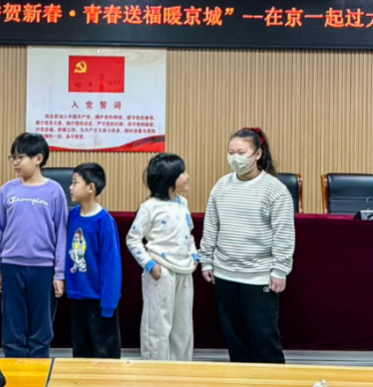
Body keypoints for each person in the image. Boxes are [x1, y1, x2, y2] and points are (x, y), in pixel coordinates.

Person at [200, 127, 295, 365]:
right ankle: (241, 386)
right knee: (235, 340)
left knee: (264, 340)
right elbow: (211, 225)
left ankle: (272, 386)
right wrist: (206, 260)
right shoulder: (221, 186)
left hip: (259, 276)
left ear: (257, 154)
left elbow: (283, 234)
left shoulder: (275, 189)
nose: (235, 158)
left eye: (241, 153)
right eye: (231, 152)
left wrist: (280, 269)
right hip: (225, 274)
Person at [0, 133, 68, 358]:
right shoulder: (7, 190)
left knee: (41, 328)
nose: (16, 162)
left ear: (38, 159)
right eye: (13, 157)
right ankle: (13, 369)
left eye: (21, 157)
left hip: (43, 268)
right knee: (12, 326)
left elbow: (61, 234)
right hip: (11, 266)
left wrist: (59, 273)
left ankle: (39, 369)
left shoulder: (54, 191)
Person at [126, 153, 198, 362]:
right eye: (182, 173)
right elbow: (133, 239)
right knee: (157, 324)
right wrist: (150, 265)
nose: (187, 176)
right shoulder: (150, 207)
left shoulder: (183, 203)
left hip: (184, 270)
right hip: (161, 272)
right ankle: (155, 368)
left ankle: (181, 368)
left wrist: (194, 255)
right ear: (170, 178)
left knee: (182, 325)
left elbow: (188, 233)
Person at [66, 163, 122, 359]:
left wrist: (108, 303)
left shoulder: (104, 221)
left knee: (104, 354)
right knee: (81, 352)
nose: (70, 187)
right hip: (77, 297)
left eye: (75, 183)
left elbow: (111, 266)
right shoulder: (72, 215)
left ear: (90, 187)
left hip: (99, 300)